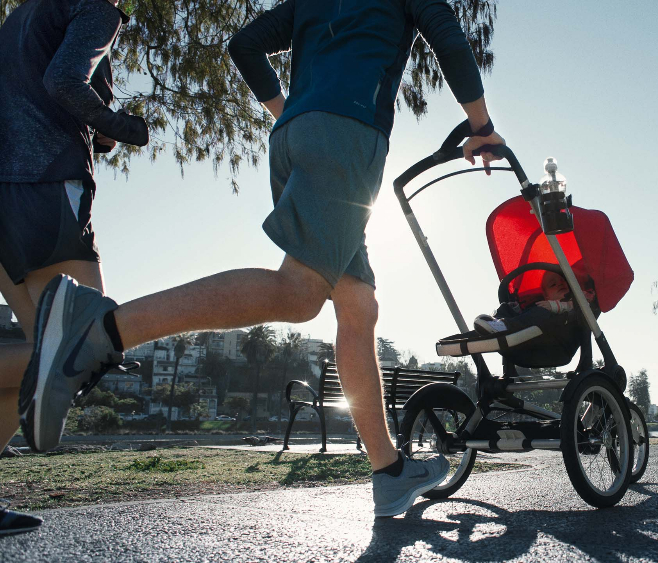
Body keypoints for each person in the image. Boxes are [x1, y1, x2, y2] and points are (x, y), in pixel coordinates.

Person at [18, 0, 504, 518]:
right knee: (299, 294)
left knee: (358, 308)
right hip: (348, 135)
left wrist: (289, 110)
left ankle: (388, 472)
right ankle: (99, 331)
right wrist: (482, 125)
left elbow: (243, 44)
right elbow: (449, 40)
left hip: (295, 136)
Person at [0, 0, 146, 534]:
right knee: (87, 341)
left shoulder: (20, 18)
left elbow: (57, 90)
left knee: (43, 353)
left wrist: (101, 128)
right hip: (41, 182)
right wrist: (125, 126)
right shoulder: (95, 7)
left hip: (7, 187)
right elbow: (65, 81)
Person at [474, 270, 596, 334]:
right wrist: (517, 309)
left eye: (565, 281)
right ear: (546, 295)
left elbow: (586, 302)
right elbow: (528, 316)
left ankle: (503, 325)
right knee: (507, 307)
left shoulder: (576, 300)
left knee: (541, 312)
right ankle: (495, 321)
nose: (560, 283)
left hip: (553, 336)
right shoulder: (542, 303)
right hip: (525, 326)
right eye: (553, 284)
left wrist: (555, 306)